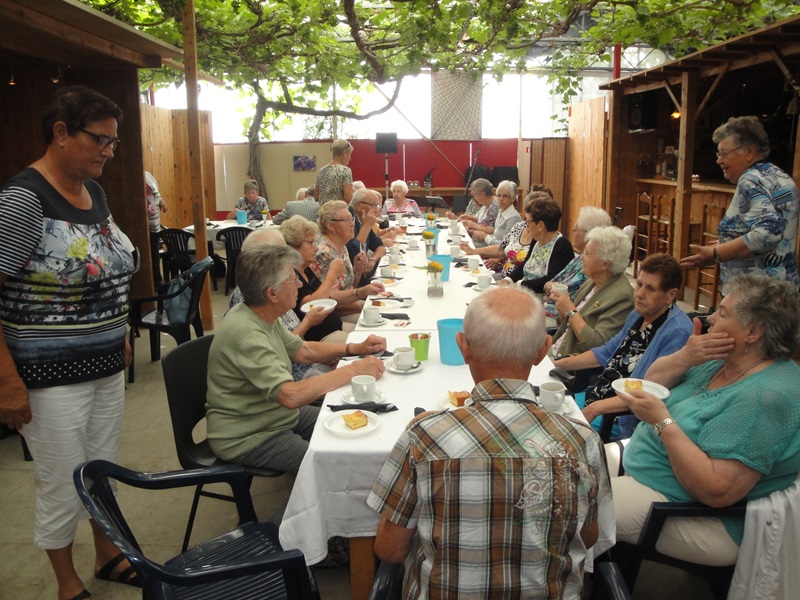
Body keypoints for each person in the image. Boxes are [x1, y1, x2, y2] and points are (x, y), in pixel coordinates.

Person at [367, 287, 611, 598]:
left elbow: (389, 550)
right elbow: (588, 537)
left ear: (462, 347)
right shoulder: (582, 441)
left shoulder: (423, 436)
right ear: (543, 350)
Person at [0, 86, 137, 600]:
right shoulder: (23, 199)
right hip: (48, 373)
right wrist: (7, 379)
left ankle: (106, 554)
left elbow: (105, 269)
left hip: (104, 363)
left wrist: (119, 331)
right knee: (61, 480)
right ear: (61, 133)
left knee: (102, 468)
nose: (107, 150)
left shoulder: (93, 192)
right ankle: (66, 581)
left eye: (113, 143)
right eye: (99, 139)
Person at [609, 274, 800, 567]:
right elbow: (650, 381)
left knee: (571, 507)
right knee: (568, 464)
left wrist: (662, 422)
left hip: (688, 511)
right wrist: (685, 356)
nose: (710, 318)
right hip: (649, 468)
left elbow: (717, 490)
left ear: (752, 332)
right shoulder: (722, 356)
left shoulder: (764, 396)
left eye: (722, 313)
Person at [206, 244, 387, 474]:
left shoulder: (260, 313)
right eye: (293, 281)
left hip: (273, 415)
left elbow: (302, 351)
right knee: (331, 468)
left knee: (355, 422)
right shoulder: (248, 335)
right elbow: (290, 396)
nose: (299, 285)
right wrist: (353, 371)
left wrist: (355, 348)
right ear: (272, 294)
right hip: (249, 434)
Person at [552, 253, 693, 439]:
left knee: (554, 431)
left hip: (620, 417)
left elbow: (651, 392)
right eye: (639, 284)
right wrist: (557, 364)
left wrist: (596, 408)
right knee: (547, 407)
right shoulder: (638, 314)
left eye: (650, 288)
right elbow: (608, 351)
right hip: (598, 395)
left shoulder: (677, 330)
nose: (640, 294)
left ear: (671, 295)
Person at [681, 116, 799, 290]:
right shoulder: (779, 176)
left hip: (753, 298)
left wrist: (715, 254)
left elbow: (768, 234)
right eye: (718, 153)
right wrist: (729, 242)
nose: (718, 160)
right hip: (782, 292)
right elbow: (777, 229)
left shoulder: (749, 180)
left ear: (749, 153)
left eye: (724, 153)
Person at [224, 228, 334, 381]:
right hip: (293, 376)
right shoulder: (254, 297)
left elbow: (296, 347)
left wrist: (344, 351)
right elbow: (279, 364)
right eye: (278, 252)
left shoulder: (273, 301)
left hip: (304, 364)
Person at [550, 226, 633, 359]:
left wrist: (570, 311)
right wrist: (562, 308)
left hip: (570, 364)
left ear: (605, 264)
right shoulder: (592, 281)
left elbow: (597, 344)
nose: (581, 257)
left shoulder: (621, 296)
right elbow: (564, 325)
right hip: (555, 349)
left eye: (587, 253)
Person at [280, 215, 355, 343]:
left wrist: (360, 293)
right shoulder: (291, 276)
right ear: (293, 247)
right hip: (318, 339)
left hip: (334, 328)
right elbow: (310, 305)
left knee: (373, 331)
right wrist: (332, 273)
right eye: (310, 243)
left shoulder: (305, 268)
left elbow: (328, 296)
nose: (315, 248)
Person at [315, 200, 385, 317]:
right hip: (335, 316)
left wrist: (357, 272)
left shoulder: (341, 246)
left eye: (352, 219)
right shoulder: (323, 253)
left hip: (350, 306)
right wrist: (363, 303)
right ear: (330, 226)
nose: (353, 224)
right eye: (346, 220)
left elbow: (349, 287)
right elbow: (330, 299)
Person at [541, 206, 612, 319]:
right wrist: (549, 286)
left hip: (556, 319)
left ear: (589, 234)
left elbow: (574, 305)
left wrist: (553, 290)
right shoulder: (578, 259)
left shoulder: (594, 269)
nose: (571, 233)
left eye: (575, 230)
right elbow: (550, 283)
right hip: (546, 311)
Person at [500, 195, 574, 292]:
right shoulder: (536, 240)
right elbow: (523, 266)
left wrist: (520, 284)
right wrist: (507, 280)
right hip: (524, 291)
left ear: (540, 225)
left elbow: (551, 280)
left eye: (528, 222)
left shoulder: (562, 246)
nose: (526, 226)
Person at [465, 180, 522, 247]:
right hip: (491, 247)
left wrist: (485, 237)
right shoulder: (500, 213)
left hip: (498, 252)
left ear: (513, 198)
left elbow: (506, 245)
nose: (501, 199)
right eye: (499, 195)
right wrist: (480, 234)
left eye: (505, 196)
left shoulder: (513, 217)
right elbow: (495, 236)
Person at [348, 189, 387, 285]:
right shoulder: (349, 221)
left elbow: (381, 247)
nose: (377, 210)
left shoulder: (363, 220)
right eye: (373, 205)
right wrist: (367, 226)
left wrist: (372, 260)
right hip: (352, 282)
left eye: (377, 206)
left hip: (362, 276)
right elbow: (354, 254)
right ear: (358, 206)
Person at [458, 178, 500, 247]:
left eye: (474, 194)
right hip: (479, 239)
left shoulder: (494, 207)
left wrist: (471, 224)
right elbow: (484, 221)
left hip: (487, 243)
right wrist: (469, 218)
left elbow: (491, 230)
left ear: (483, 194)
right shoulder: (486, 204)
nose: (474, 197)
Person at [145, 170, 167, 287]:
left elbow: (156, 193)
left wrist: (162, 201)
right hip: (144, 226)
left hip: (155, 225)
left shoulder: (148, 175)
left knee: (155, 254)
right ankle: (155, 283)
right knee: (151, 255)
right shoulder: (136, 177)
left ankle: (157, 281)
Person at [315, 139, 354, 205]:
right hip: (338, 211)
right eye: (350, 154)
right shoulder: (345, 171)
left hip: (323, 212)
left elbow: (316, 197)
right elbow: (348, 198)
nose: (350, 158)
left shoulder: (321, 171)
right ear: (344, 153)